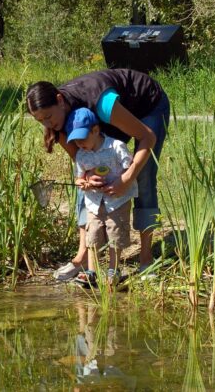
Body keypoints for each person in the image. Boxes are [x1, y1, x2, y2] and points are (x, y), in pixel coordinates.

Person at [26, 68, 170, 280]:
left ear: (59, 100)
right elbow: (82, 164)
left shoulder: (103, 103)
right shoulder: (61, 122)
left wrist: (126, 177)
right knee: (85, 187)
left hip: (147, 105)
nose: (48, 125)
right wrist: (87, 178)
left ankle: (146, 259)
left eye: (48, 117)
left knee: (143, 175)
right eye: (41, 121)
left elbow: (147, 137)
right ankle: (82, 257)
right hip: (101, 124)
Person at [66, 107, 137, 287]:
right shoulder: (81, 154)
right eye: (75, 139)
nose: (79, 143)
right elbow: (78, 178)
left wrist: (119, 181)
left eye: (83, 138)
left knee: (115, 232)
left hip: (117, 200)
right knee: (93, 234)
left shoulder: (115, 146)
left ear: (96, 130)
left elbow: (130, 168)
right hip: (93, 202)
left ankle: (113, 269)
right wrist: (83, 182)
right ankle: (92, 271)